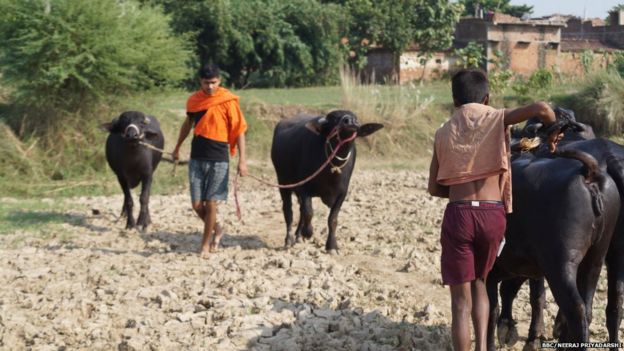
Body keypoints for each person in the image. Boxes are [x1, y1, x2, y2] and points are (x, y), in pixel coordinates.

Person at [427, 69, 561, 351]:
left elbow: (434, 188)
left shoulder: (442, 132)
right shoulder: (497, 117)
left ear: (454, 100)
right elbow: (542, 108)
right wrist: (552, 133)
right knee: (481, 284)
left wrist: (460, 190)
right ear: (486, 97)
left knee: (460, 303)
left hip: (459, 214)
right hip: (492, 215)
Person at [172, 63, 248, 259]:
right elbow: (187, 124)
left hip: (219, 159)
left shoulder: (228, 101)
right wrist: (177, 146)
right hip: (197, 157)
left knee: (211, 202)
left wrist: (242, 161)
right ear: (201, 82)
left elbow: (239, 131)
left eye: (214, 83)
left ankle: (205, 244)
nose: (210, 87)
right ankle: (217, 228)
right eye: (207, 83)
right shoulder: (194, 101)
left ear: (219, 81)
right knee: (198, 205)